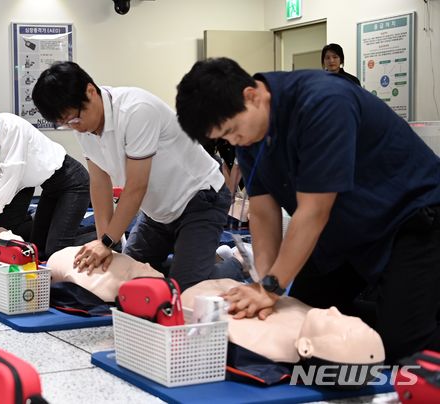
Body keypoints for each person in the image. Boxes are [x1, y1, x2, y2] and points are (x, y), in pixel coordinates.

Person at [175, 57, 440, 363]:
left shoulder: (323, 103)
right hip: (346, 232)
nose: (234, 141)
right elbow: (262, 212)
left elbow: (314, 212)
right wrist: (264, 283)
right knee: (303, 325)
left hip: (411, 219)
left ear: (252, 95)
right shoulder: (251, 133)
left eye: (232, 131)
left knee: (401, 346)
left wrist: (271, 288)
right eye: (224, 138)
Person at [32, 62, 232, 291]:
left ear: (90, 91)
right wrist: (104, 241)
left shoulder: (136, 110)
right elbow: (99, 183)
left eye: (74, 119)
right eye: (65, 124)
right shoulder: (85, 127)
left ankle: (235, 264)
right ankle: (195, 261)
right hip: (157, 211)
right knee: (126, 284)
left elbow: (137, 187)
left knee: (184, 293)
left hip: (199, 199)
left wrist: (107, 242)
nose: (74, 127)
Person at [0, 95, 90, 260]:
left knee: (55, 252)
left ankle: (105, 243)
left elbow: (11, 175)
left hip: (72, 183)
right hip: (51, 188)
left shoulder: (10, 126)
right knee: (37, 247)